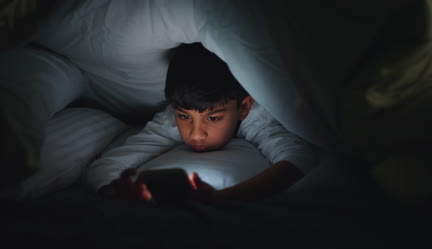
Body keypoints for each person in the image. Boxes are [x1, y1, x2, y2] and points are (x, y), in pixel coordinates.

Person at [86, 43, 318, 202]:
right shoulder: (170, 119)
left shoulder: (259, 118)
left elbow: (298, 159)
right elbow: (107, 165)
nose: (196, 134)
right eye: (185, 116)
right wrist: (114, 190)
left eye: (213, 118)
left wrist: (221, 198)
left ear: (244, 107)